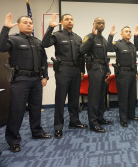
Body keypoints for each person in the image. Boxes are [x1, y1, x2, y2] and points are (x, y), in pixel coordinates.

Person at [0, 13, 51, 152]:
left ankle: (37, 131)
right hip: (20, 80)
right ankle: (13, 140)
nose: (29, 24)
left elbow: (44, 60)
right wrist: (5, 28)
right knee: (17, 111)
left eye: (30, 22)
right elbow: (1, 46)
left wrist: (45, 76)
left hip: (36, 80)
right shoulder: (13, 39)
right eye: (25, 22)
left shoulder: (37, 41)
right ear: (19, 24)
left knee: (36, 108)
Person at [42, 14, 87, 139]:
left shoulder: (78, 38)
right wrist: (50, 28)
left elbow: (81, 56)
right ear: (62, 22)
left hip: (76, 70)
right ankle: (58, 127)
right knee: (60, 99)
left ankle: (74, 122)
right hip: (63, 70)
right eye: (67, 19)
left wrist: (82, 70)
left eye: (71, 19)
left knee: (74, 98)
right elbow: (45, 44)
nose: (70, 21)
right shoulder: (57, 35)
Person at [80, 17, 112, 133]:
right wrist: (92, 37)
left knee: (102, 95)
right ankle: (93, 123)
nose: (101, 25)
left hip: (103, 69)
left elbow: (105, 57)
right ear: (94, 24)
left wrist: (108, 70)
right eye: (99, 23)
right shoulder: (89, 37)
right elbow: (82, 50)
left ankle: (100, 118)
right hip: (94, 69)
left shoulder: (103, 39)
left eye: (103, 23)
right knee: (94, 96)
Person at [107, 26, 138, 127]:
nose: (129, 33)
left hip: (131, 73)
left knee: (132, 96)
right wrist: (110, 36)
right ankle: (123, 118)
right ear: (121, 34)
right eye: (126, 31)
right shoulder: (118, 44)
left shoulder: (133, 46)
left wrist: (136, 72)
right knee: (123, 97)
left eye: (130, 31)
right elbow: (108, 48)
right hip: (122, 74)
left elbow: (134, 61)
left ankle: (131, 115)